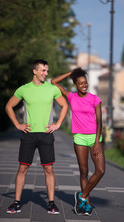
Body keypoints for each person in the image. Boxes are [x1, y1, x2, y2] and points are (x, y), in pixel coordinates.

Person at [5, 59, 68, 214]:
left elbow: (65, 105)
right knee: (22, 168)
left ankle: (51, 204)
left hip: (46, 134)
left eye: (46, 71)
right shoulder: (24, 89)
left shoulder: (52, 89)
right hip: (28, 135)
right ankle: (17, 202)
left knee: (49, 169)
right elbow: (8, 106)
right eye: (43, 71)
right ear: (35, 71)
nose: (46, 74)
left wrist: (58, 124)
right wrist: (18, 124)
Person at [51, 67, 105, 216]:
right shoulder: (71, 96)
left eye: (85, 83)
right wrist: (71, 73)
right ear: (75, 85)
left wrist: (96, 142)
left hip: (94, 137)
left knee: (100, 170)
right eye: (80, 83)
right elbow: (53, 81)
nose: (84, 85)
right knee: (83, 172)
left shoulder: (95, 99)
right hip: (79, 137)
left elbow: (100, 122)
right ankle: (85, 205)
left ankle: (81, 196)